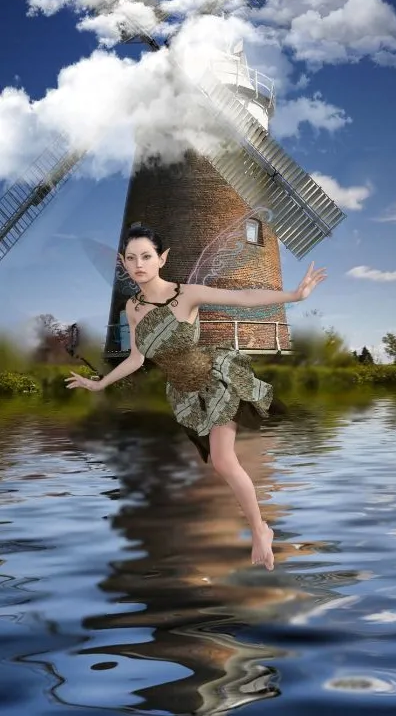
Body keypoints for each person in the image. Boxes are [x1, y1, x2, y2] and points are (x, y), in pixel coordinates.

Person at [65, 225, 326, 570]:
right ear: (123, 263)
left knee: (222, 461)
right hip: (185, 392)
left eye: (146, 256)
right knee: (221, 461)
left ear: (162, 258)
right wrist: (100, 384)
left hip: (215, 378)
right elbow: (137, 358)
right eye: (131, 258)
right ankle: (260, 528)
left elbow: (243, 297)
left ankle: (260, 529)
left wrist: (294, 297)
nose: (139, 264)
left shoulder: (185, 293)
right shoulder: (133, 307)